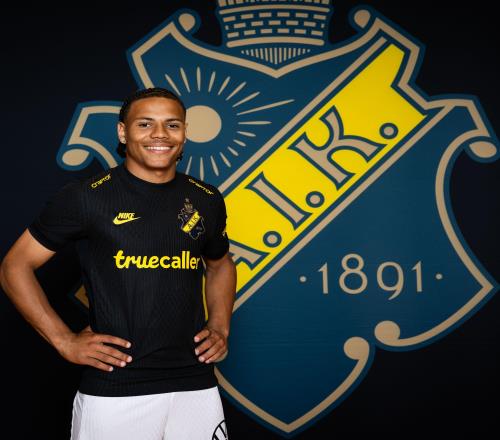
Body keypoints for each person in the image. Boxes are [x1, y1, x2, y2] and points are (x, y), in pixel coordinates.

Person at [0, 87, 236, 439]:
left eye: (172, 125)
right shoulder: (87, 197)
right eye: (145, 124)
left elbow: (220, 264)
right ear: (123, 132)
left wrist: (220, 326)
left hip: (196, 384)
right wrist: (64, 340)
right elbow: (14, 266)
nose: (160, 134)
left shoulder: (205, 199)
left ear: (184, 133)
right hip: (117, 389)